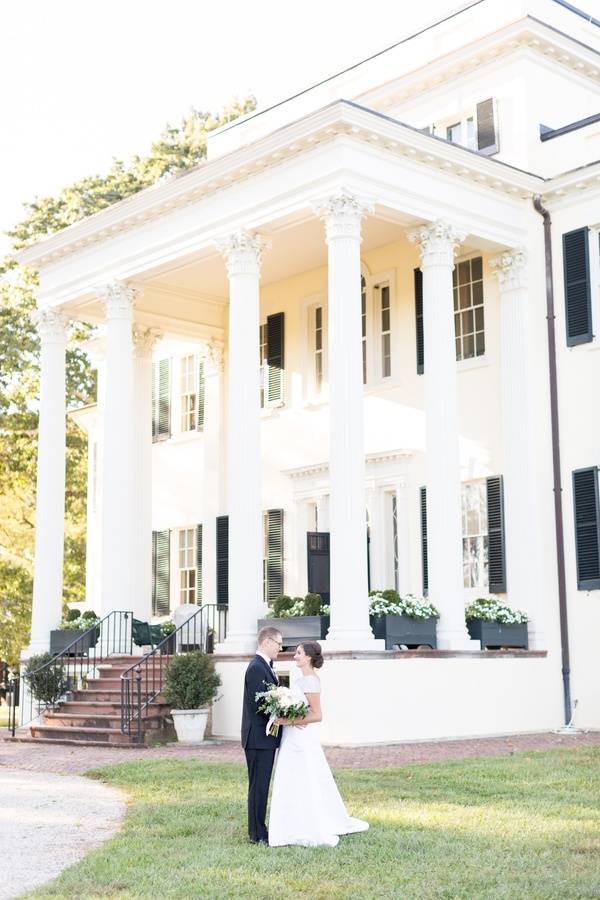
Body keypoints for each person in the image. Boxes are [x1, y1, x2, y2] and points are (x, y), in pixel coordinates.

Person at [268, 641, 369, 847]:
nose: (294, 656)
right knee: (292, 778)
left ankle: (306, 825)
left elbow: (317, 715)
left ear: (309, 658)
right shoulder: (304, 679)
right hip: (292, 736)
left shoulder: (311, 681)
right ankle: (291, 822)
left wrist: (288, 720)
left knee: (303, 779)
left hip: (299, 738)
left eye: (298, 653)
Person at [241, 625, 283, 844]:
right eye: (279, 643)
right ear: (267, 641)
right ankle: (257, 835)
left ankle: (259, 830)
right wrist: (283, 707)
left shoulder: (266, 665)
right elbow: (260, 704)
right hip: (258, 739)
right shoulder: (257, 667)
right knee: (258, 787)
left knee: (261, 786)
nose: (281, 647)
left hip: (264, 739)